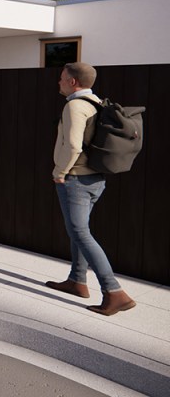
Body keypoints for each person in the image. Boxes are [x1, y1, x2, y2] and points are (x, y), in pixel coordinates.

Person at [45, 62, 135, 316]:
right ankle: (77, 281)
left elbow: (73, 146)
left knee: (80, 233)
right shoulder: (97, 102)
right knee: (79, 232)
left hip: (76, 179)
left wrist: (59, 172)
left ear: (73, 82)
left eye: (62, 78)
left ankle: (114, 291)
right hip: (96, 179)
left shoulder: (74, 105)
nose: (59, 82)